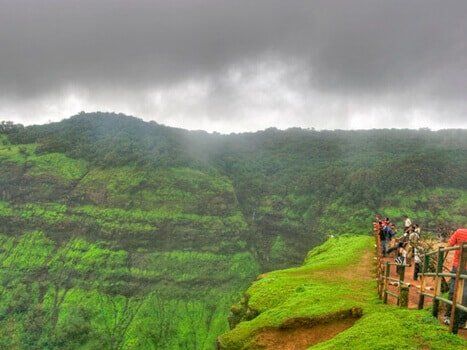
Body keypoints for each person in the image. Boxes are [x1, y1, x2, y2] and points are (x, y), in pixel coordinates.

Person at [443, 228, 467, 328]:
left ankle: (449, 316)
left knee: (454, 290)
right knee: (465, 293)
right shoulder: (460, 232)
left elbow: (449, 246)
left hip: (457, 267)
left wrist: (443, 257)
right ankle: (461, 321)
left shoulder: (459, 231)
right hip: (460, 268)